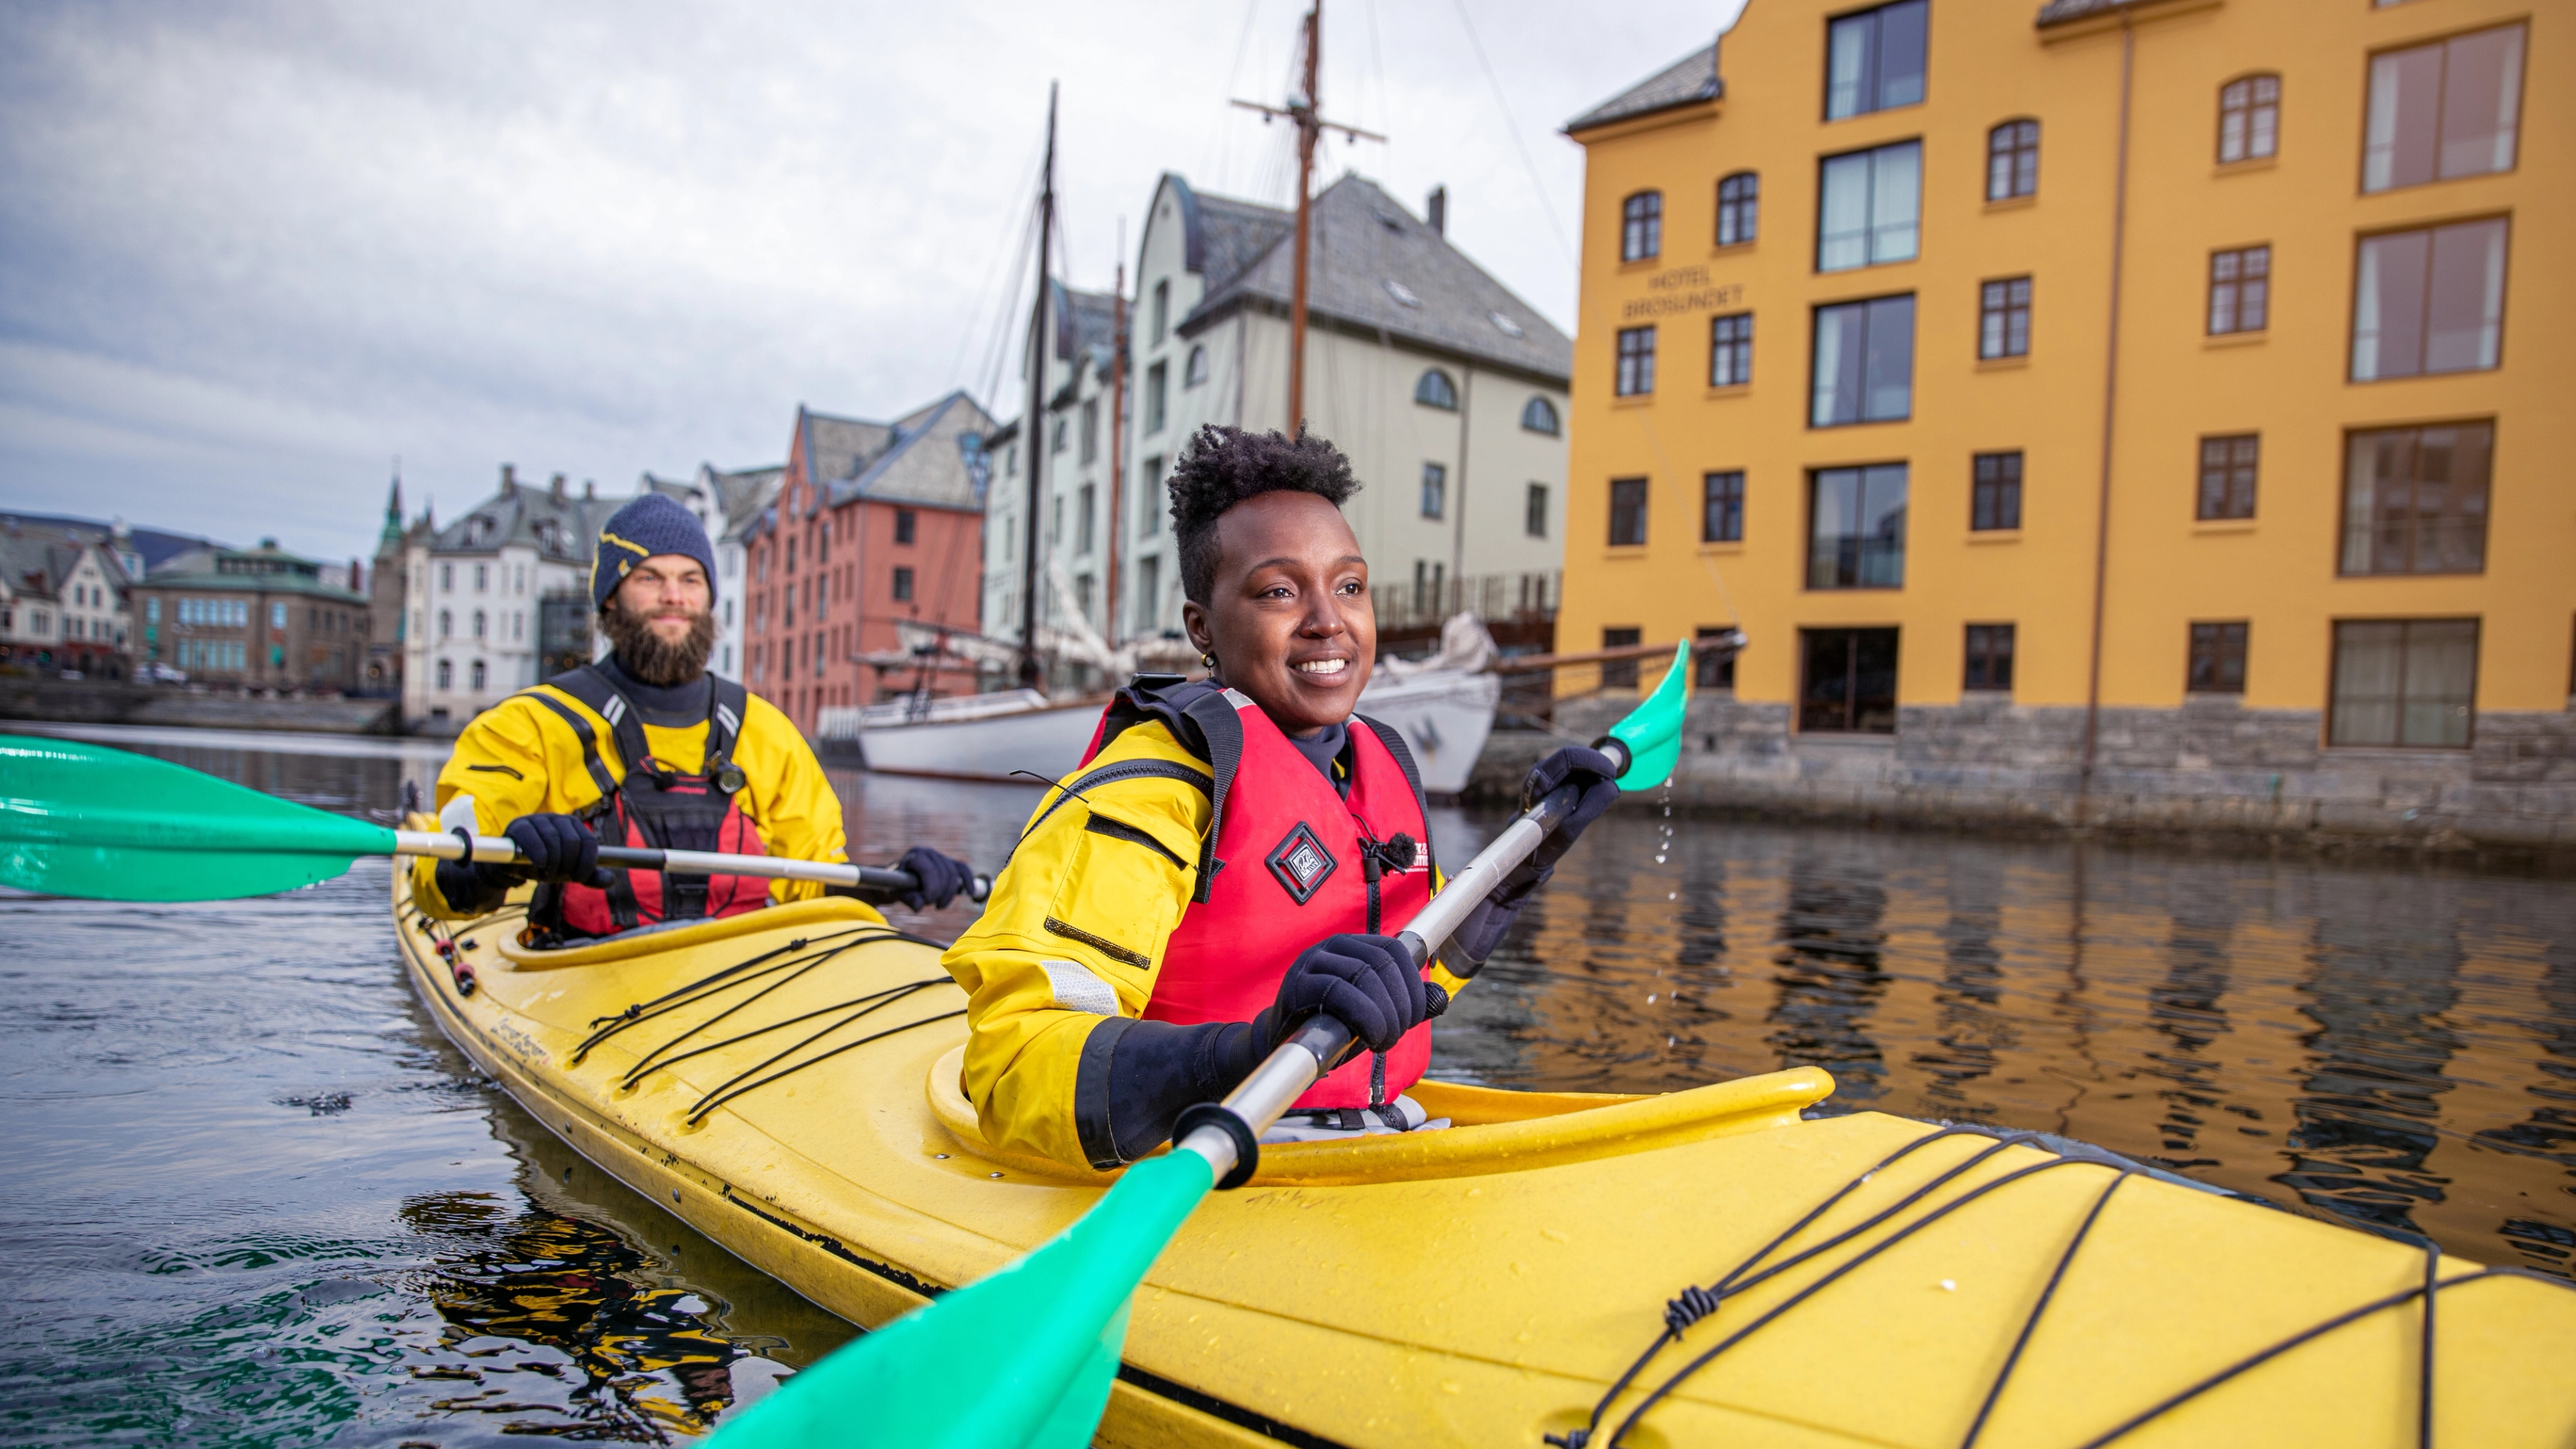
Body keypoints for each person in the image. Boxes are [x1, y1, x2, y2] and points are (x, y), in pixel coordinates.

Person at [944, 427, 1617, 1171]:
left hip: (1382, 1128)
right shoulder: (1150, 792)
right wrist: (1255, 1048)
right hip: (1207, 1153)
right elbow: (1011, 1067)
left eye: (1350, 586)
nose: (1329, 620)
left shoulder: (1375, 759)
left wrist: (1518, 873)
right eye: (1279, 591)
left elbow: (1412, 975)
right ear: (1203, 626)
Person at [411, 492, 973, 936]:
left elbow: (813, 883)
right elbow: (439, 881)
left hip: (728, 979)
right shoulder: (530, 725)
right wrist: (503, 858)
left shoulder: (763, 731)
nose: (674, 597)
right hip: (577, 966)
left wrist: (896, 883)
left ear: (707, 597)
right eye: (649, 578)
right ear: (611, 597)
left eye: (690, 580)